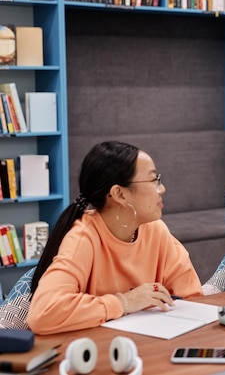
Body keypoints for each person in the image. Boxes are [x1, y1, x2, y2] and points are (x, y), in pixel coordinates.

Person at [27, 141, 203, 335]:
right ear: (119, 194)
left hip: (146, 348)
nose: (162, 189)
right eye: (154, 180)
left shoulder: (156, 230)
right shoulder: (82, 238)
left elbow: (194, 299)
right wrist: (124, 302)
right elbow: (43, 313)